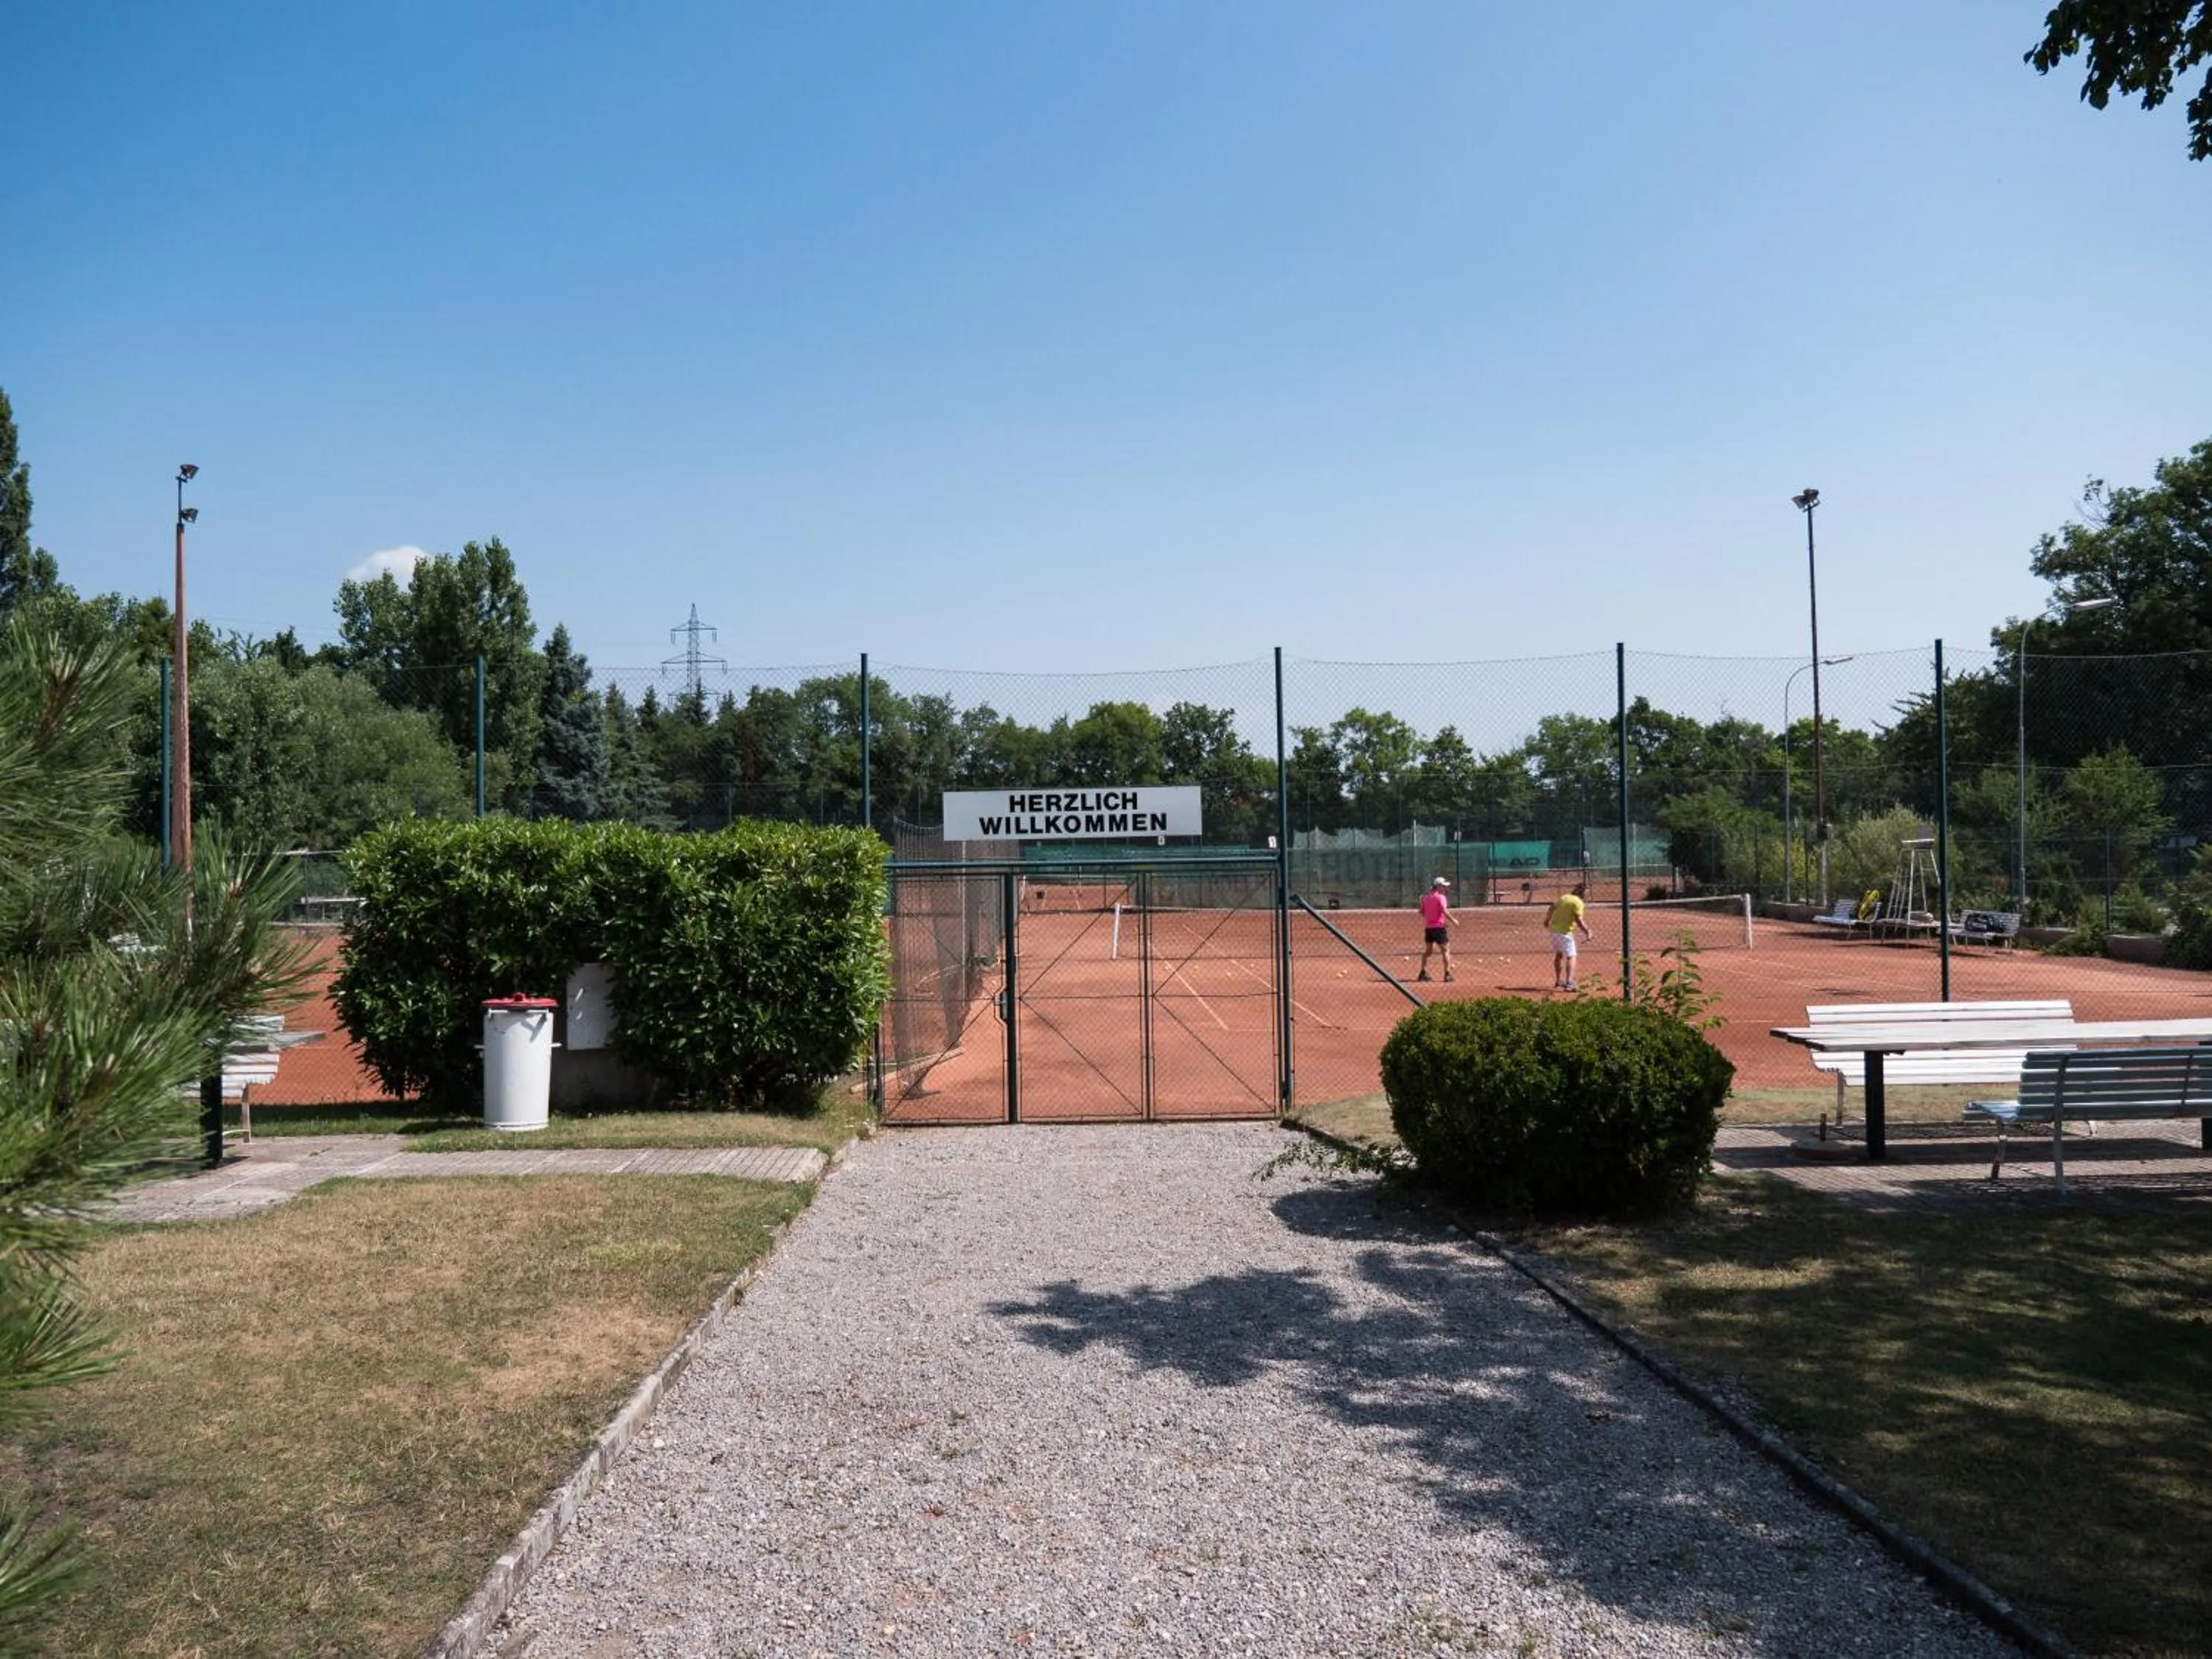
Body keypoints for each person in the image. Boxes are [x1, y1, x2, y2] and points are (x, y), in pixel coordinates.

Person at [1545, 881, 1592, 990]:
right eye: (1586, 894)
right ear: (1583, 894)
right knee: (1571, 956)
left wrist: (1547, 920)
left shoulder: (1564, 897)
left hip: (1553, 931)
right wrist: (1587, 932)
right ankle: (1570, 983)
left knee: (1559, 955)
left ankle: (1558, 981)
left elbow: (1552, 907)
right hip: (1565, 933)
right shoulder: (1578, 902)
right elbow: (1578, 920)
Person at [1416, 876, 1454, 983]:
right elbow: (1444, 911)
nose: (1445, 888)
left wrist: (1430, 914)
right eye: (1443, 886)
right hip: (1439, 928)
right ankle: (1447, 974)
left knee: (1428, 952)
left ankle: (1423, 972)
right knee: (1446, 951)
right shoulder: (1441, 897)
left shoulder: (1425, 898)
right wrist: (1454, 920)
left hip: (1429, 929)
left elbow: (1421, 913)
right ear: (1438, 887)